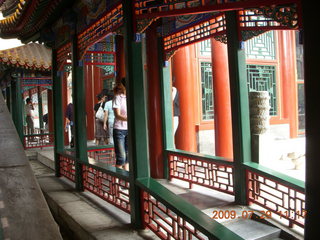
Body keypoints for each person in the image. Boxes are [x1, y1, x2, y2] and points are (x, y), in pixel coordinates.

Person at [112, 82, 128, 170]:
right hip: (119, 129)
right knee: (121, 157)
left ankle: (127, 181)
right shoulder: (117, 98)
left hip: (128, 129)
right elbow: (117, 115)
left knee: (128, 156)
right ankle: (116, 180)